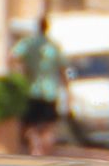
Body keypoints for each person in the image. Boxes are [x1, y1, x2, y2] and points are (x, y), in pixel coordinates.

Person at [12, 16, 70, 156]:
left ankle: (35, 148)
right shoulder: (53, 46)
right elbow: (62, 70)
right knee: (49, 127)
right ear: (47, 27)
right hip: (50, 92)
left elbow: (12, 57)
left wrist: (21, 71)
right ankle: (45, 152)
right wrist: (67, 90)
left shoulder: (28, 43)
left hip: (32, 90)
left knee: (29, 125)